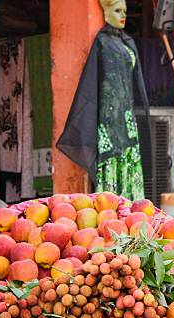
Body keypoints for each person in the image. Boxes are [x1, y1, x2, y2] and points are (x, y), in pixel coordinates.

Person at [56, 0, 150, 201]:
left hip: (126, 117)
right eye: (117, 11)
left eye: (124, 11)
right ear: (106, 13)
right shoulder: (103, 42)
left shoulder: (127, 43)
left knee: (129, 160)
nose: (123, 15)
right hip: (108, 120)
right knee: (111, 162)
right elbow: (94, 82)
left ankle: (131, 213)